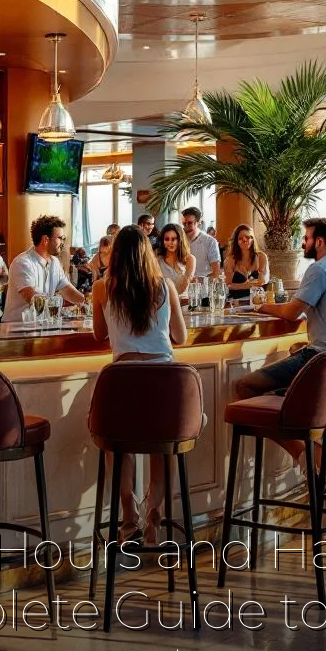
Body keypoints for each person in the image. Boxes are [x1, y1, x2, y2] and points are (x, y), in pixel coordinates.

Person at [234, 218, 326, 465]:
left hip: (325, 361)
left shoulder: (320, 269)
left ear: (318, 242)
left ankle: (303, 454)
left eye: (305, 238)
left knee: (246, 386)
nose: (302, 243)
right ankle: (323, 450)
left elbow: (290, 313)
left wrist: (259, 306)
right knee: (296, 352)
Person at [92, 225, 187, 543]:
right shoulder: (165, 286)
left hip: (122, 386)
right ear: (148, 252)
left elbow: (98, 335)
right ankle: (154, 515)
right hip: (165, 387)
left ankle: (128, 515)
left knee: (117, 442)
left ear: (115, 254)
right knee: (161, 446)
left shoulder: (103, 288)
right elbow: (181, 337)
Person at [1, 214, 85, 323]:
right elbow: (32, 298)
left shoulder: (54, 262)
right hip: (17, 329)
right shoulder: (23, 263)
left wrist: (87, 302)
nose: (63, 242)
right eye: (60, 238)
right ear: (46, 240)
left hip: (41, 327)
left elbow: (67, 290)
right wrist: (62, 310)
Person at [222, 224, 269, 300]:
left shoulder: (261, 257)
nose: (244, 240)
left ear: (252, 239)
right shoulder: (230, 260)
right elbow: (227, 285)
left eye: (247, 237)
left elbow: (261, 282)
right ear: (236, 241)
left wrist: (244, 285)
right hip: (235, 301)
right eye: (240, 238)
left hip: (257, 300)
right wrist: (246, 285)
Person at [181, 206, 221, 279]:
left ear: (198, 222)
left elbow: (216, 272)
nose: (186, 226)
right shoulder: (178, 240)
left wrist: (200, 281)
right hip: (182, 284)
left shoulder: (210, 241)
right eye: (184, 223)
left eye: (189, 223)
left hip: (202, 286)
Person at [155, 222, 195, 295]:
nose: (170, 242)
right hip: (164, 301)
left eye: (174, 238)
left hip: (185, 302)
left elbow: (185, 285)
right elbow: (156, 287)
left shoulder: (190, 259)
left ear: (180, 239)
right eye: (167, 239)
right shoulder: (157, 260)